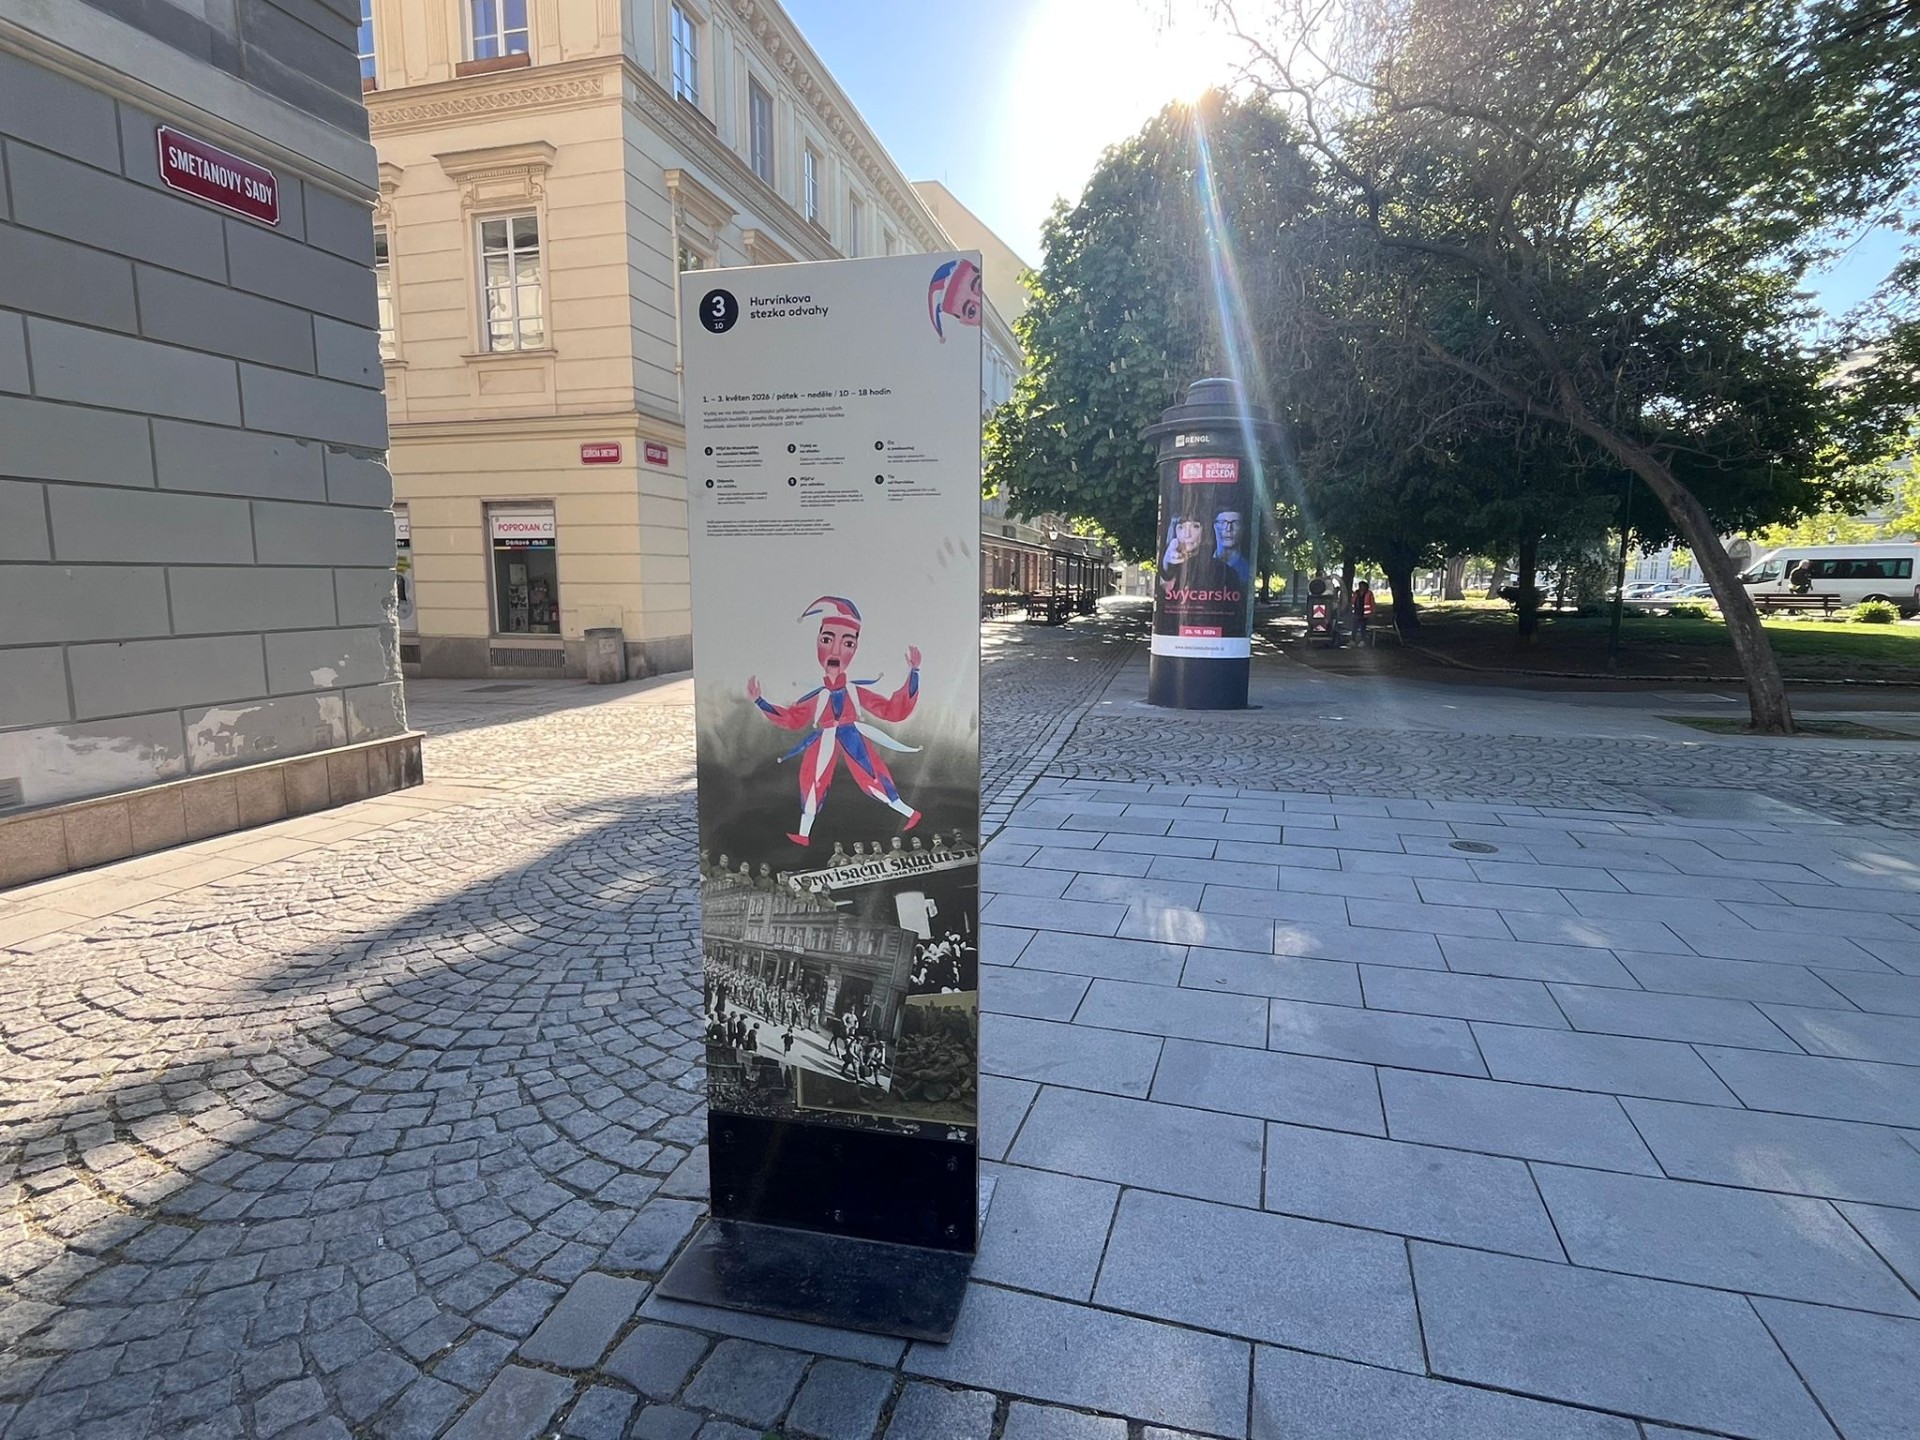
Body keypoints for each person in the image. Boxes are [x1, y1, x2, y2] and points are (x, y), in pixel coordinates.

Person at [747, 595, 924, 847]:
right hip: (825, 738)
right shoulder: (817, 696)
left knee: (874, 778)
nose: (836, 651)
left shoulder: (854, 691)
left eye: (847, 643)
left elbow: (892, 710)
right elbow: (793, 718)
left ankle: (910, 813)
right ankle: (804, 835)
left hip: (852, 735)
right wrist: (760, 701)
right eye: (827, 640)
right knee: (811, 781)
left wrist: (914, 673)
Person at [1212, 510, 1253, 588]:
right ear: (1215, 526)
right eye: (1222, 522)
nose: (1228, 529)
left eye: (1235, 523)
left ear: (1243, 528)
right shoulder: (1202, 565)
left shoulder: (1248, 571)